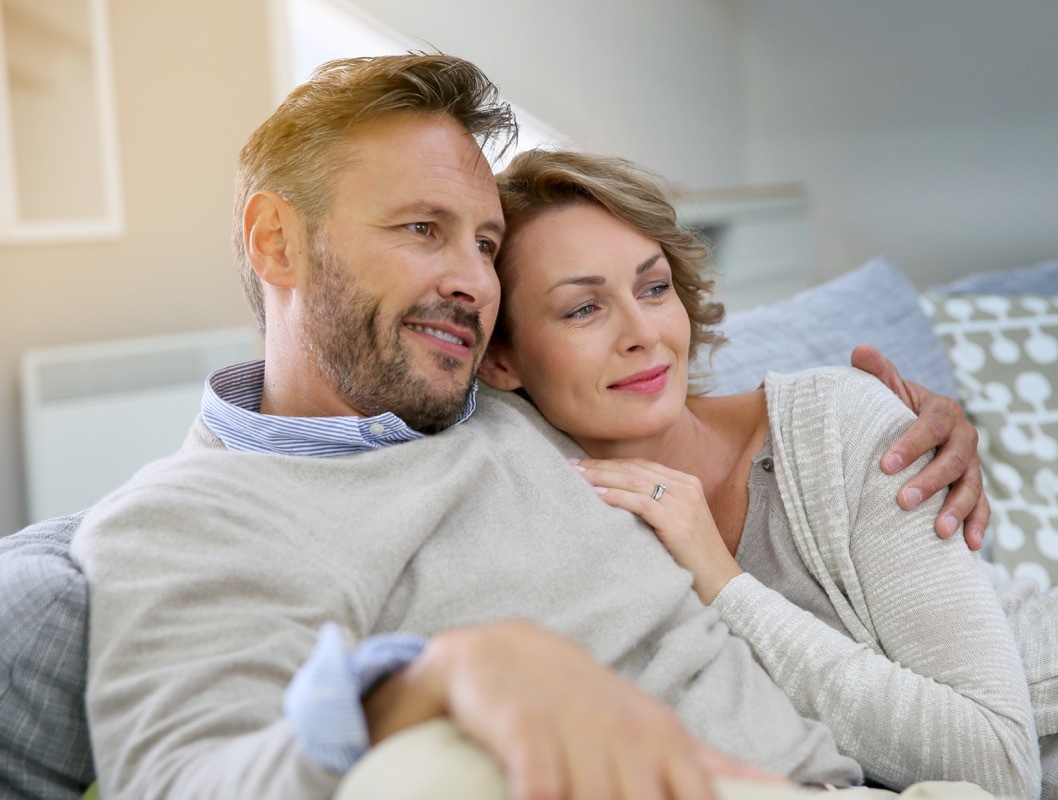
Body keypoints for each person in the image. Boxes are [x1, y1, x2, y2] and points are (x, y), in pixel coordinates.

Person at [69, 55, 992, 800]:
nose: (474, 280)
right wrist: (424, 682)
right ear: (277, 241)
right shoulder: (187, 519)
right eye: (422, 228)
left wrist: (913, 417)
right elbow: (185, 776)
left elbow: (670, 373)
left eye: (482, 244)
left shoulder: (505, 404)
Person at [479, 147, 1058, 800]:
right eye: (583, 308)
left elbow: (998, 767)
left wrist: (723, 584)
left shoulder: (833, 422)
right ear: (501, 360)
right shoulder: (542, 495)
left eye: (655, 288)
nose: (642, 333)